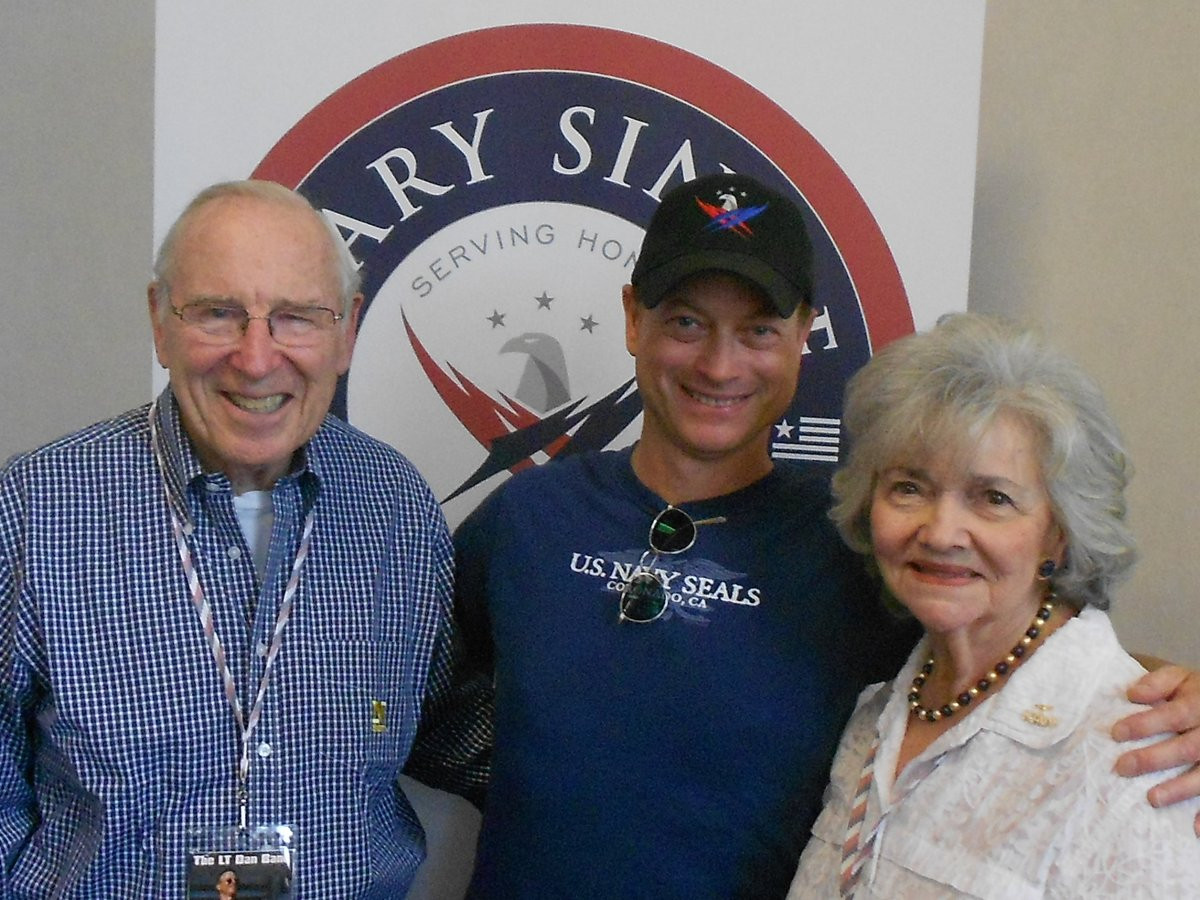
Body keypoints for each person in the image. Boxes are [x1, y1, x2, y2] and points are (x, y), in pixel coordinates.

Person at [454, 174, 1200, 898]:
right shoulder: (527, 517)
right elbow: (411, 677)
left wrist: (1165, 691)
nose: (719, 365)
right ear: (631, 318)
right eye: (686, 322)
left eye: (758, 330)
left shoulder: (860, 545)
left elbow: (1013, 651)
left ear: (803, 334)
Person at [0, 180, 488, 895]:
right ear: (160, 322)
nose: (257, 359)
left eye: (297, 317)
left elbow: (445, 724)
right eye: (218, 314)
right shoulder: (37, 506)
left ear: (347, 331)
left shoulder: (396, 506)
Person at [788, 312, 1200, 897]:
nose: (940, 533)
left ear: (1060, 533)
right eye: (909, 488)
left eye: (993, 498)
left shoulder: (1139, 757)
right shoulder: (874, 716)